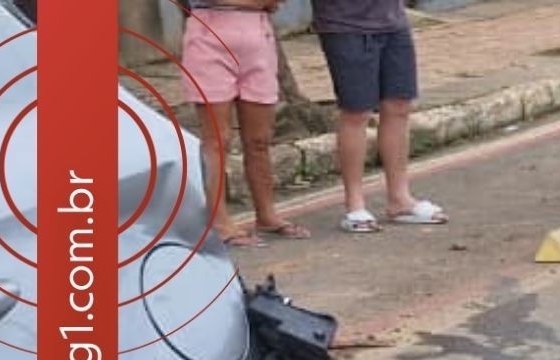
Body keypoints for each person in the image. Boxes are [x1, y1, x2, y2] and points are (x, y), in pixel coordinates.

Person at [311, 0, 448, 232]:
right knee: (356, 111)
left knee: (399, 105)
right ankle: (354, 204)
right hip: (346, 25)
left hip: (393, 21)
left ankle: (400, 199)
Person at [181, 0, 310, 246]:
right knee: (218, 139)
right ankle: (219, 222)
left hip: (258, 36)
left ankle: (267, 215)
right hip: (209, 35)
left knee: (259, 139)